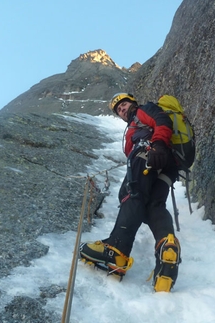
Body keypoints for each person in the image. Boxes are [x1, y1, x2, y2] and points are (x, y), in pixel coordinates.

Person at [80, 93, 181, 292]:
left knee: (132, 193)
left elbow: (162, 120)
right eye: (119, 109)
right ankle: (167, 247)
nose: (122, 109)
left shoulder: (142, 111)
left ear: (133, 103)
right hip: (169, 165)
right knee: (154, 205)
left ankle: (117, 249)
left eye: (124, 104)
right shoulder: (135, 123)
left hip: (149, 152)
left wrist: (158, 144)